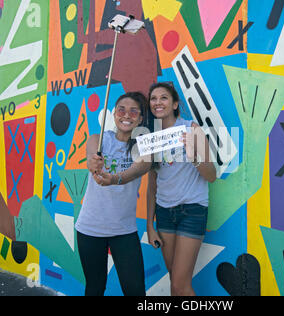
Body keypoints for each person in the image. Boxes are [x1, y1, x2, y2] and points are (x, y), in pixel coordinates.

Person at [75, 92, 152, 296]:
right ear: (114, 114)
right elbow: (92, 156)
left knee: (135, 290)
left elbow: (142, 167)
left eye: (133, 111)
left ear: (141, 119)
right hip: (90, 229)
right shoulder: (98, 139)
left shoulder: (143, 146)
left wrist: (116, 179)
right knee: (95, 286)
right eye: (121, 109)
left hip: (124, 230)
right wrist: (93, 164)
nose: (127, 115)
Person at [146, 82, 217, 296]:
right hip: (165, 214)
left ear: (175, 103)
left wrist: (194, 156)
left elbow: (211, 175)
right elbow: (152, 186)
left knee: (180, 285)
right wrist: (150, 225)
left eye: (164, 98)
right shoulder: (152, 137)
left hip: (192, 211)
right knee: (174, 281)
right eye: (153, 98)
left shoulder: (191, 129)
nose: (158, 102)